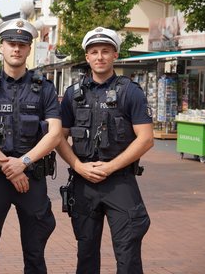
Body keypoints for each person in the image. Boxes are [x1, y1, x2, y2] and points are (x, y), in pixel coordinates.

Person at [0, 18, 62, 273]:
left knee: (35, 254)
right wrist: (9, 166)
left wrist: (24, 163)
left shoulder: (45, 89)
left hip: (32, 178)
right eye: (11, 43)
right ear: (1, 47)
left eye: (22, 44)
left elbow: (54, 135)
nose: (16, 49)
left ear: (29, 49)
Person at [55, 27, 154, 274]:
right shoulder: (72, 95)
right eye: (94, 52)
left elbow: (146, 139)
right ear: (87, 57)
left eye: (106, 51)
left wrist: (110, 167)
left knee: (128, 251)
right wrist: (78, 166)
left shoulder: (130, 91)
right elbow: (58, 138)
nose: (100, 56)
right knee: (86, 252)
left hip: (120, 182)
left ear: (115, 55)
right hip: (83, 181)